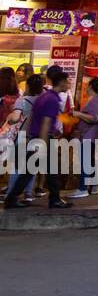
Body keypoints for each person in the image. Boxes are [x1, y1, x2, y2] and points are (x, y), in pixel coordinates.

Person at [5, 65, 72, 208]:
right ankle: (53, 199)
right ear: (60, 82)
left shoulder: (44, 97)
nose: (69, 84)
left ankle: (12, 198)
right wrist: (42, 144)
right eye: (67, 82)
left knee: (31, 171)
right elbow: (46, 123)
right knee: (47, 170)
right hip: (42, 139)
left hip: (35, 138)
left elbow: (31, 119)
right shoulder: (51, 100)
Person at [2, 74, 44, 204]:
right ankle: (28, 194)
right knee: (30, 167)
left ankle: (10, 194)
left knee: (16, 167)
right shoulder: (43, 99)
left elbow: (15, 118)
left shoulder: (22, 100)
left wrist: (9, 118)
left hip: (23, 135)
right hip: (37, 136)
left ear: (28, 86)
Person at [67, 77, 98, 198]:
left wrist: (77, 114)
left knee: (85, 162)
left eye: (87, 87)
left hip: (89, 134)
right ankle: (93, 187)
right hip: (94, 134)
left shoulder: (94, 99)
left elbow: (93, 118)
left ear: (90, 87)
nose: (86, 89)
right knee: (90, 160)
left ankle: (82, 188)